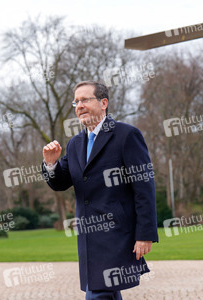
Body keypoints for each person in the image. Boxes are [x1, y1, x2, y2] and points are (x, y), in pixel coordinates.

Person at [42, 81, 158, 300]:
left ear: (104, 103)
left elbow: (144, 187)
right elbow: (61, 182)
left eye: (85, 100)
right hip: (88, 238)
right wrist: (51, 165)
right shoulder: (75, 143)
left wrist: (145, 234)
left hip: (117, 236)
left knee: (97, 294)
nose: (79, 106)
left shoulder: (127, 135)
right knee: (105, 292)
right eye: (76, 102)